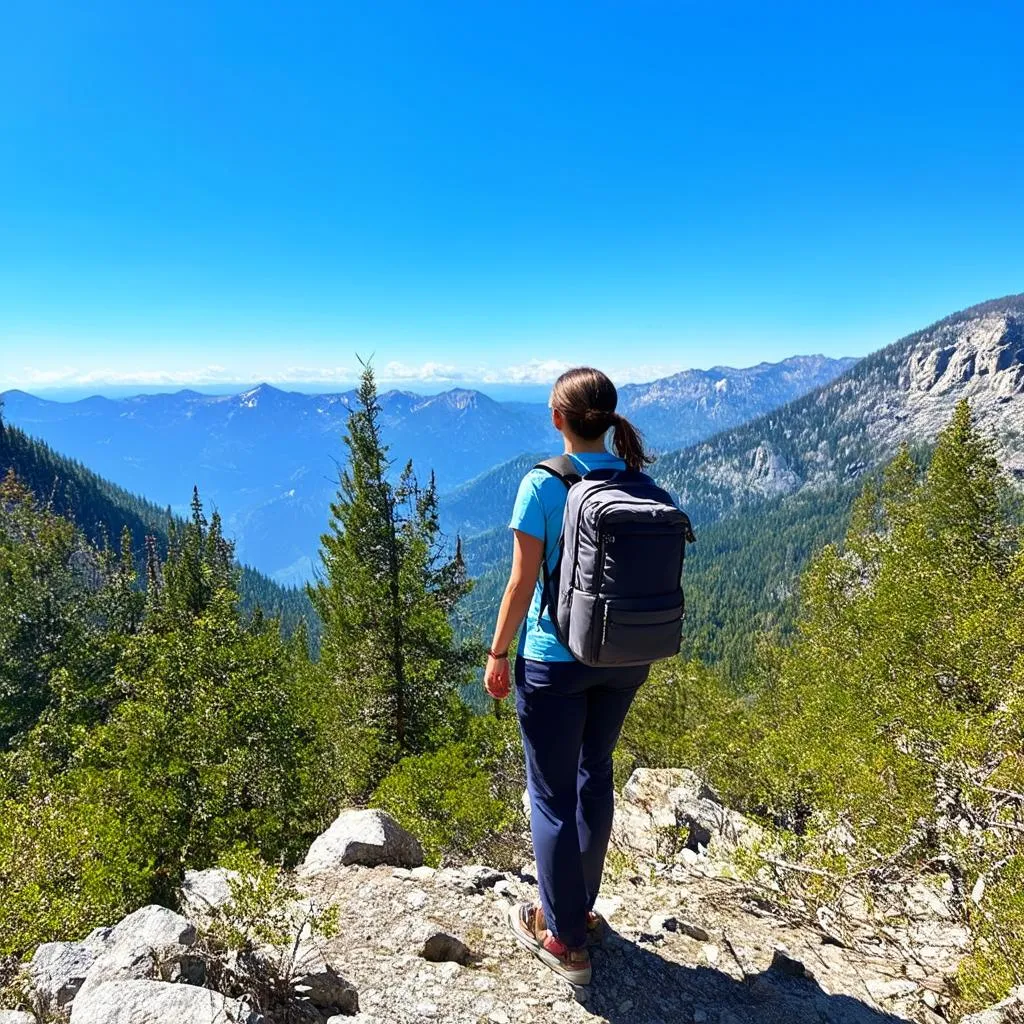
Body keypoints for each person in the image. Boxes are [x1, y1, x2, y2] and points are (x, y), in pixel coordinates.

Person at [484, 366, 656, 986]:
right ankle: (579, 910)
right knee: (593, 780)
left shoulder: (542, 485)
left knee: (551, 797)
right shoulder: (636, 482)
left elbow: (520, 583)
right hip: (624, 659)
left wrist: (498, 653)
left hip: (554, 661)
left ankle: (563, 939)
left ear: (557, 418)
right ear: (608, 420)